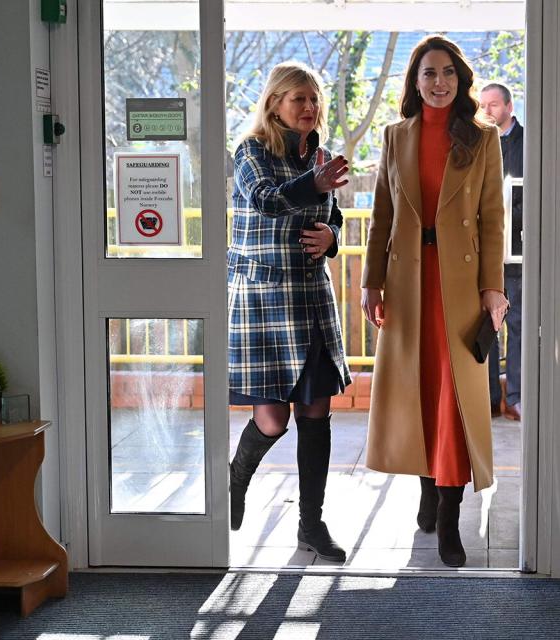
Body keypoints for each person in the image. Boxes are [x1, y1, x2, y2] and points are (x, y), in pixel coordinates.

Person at [361, 35, 508, 567]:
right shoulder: (395, 136)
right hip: (406, 284)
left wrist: (493, 286)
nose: (439, 82)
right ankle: (427, 487)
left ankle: (448, 515)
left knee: (453, 395)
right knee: (418, 391)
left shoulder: (482, 138)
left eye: (448, 72)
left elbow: (494, 219)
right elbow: (381, 216)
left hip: (460, 285)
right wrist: (369, 281)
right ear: (415, 81)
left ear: (460, 80)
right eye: (429, 73)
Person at [227, 61, 352, 562]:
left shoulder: (317, 155)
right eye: (298, 98)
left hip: (313, 301)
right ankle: (237, 475)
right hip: (266, 301)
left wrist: (333, 237)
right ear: (274, 103)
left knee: (316, 414)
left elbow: (333, 217)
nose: (309, 107)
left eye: (313, 98)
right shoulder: (251, 151)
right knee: (274, 420)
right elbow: (266, 200)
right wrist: (316, 185)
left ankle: (312, 525)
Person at [480, 82, 523, 421]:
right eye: (483, 105)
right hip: (486, 253)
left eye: (493, 104)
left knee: (520, 326)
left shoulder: (529, 142)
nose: (487, 111)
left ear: (509, 106)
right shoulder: (479, 142)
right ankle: (490, 398)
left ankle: (518, 397)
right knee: (488, 328)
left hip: (521, 253)